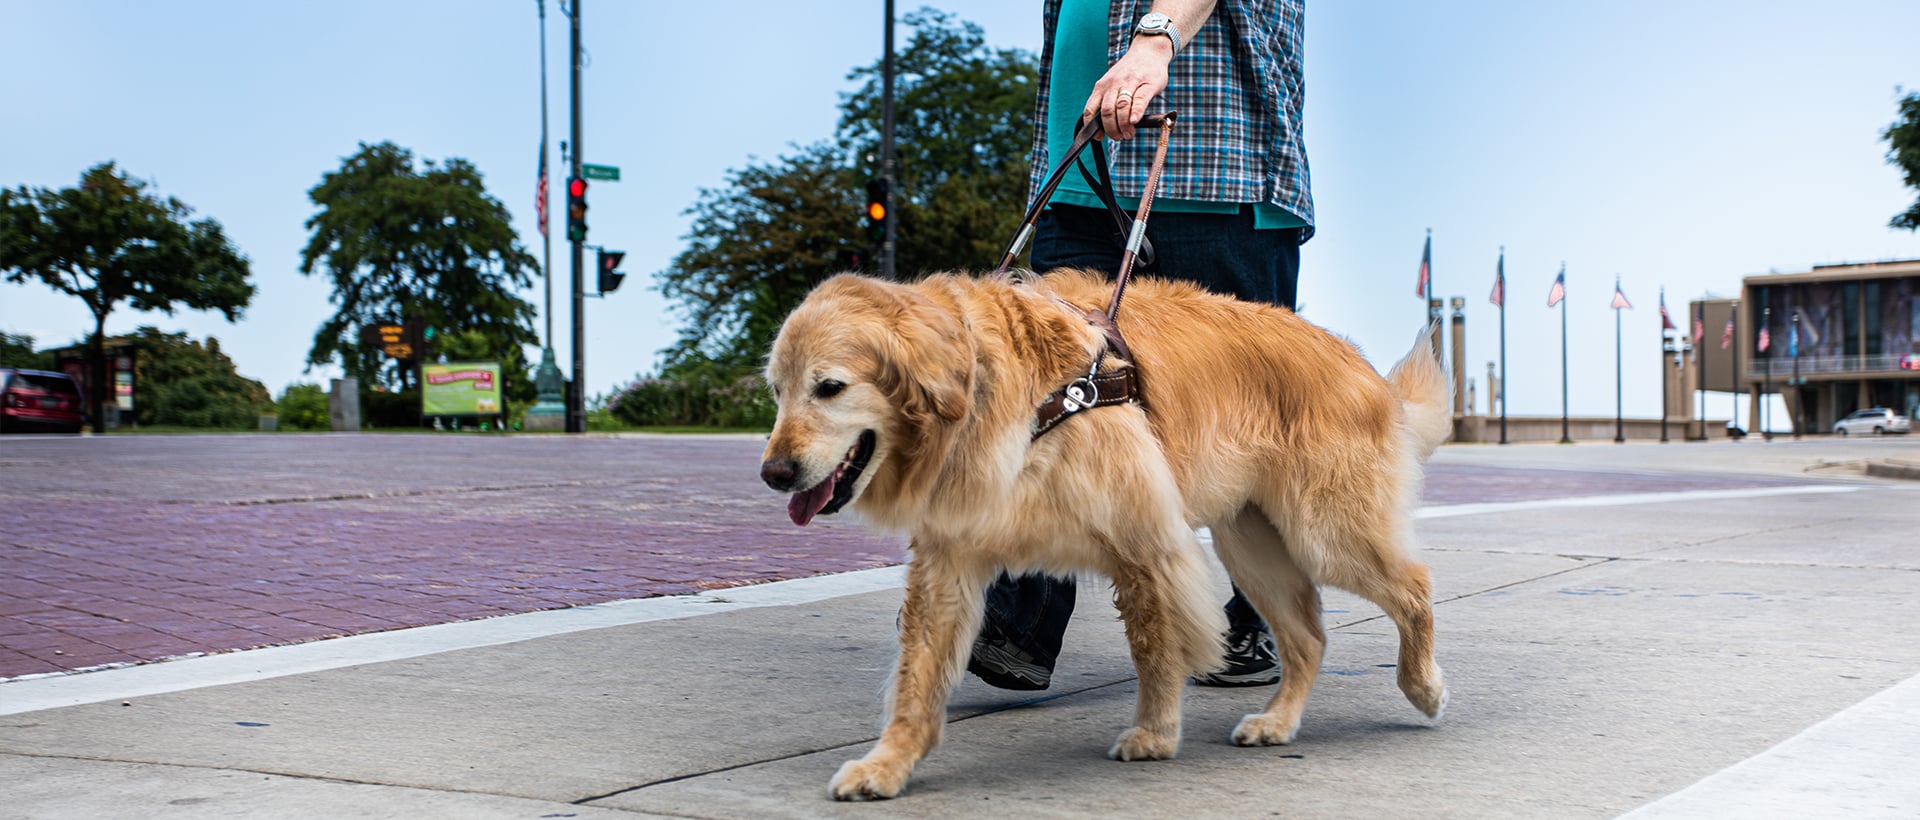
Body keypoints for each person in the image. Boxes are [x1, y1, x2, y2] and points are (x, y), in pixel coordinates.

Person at [967, 0, 1313, 691]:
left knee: (1243, 421)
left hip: (1216, 168)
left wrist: (1153, 42)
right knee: (1042, 399)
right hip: (1079, 174)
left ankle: (1265, 616)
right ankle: (1017, 622)